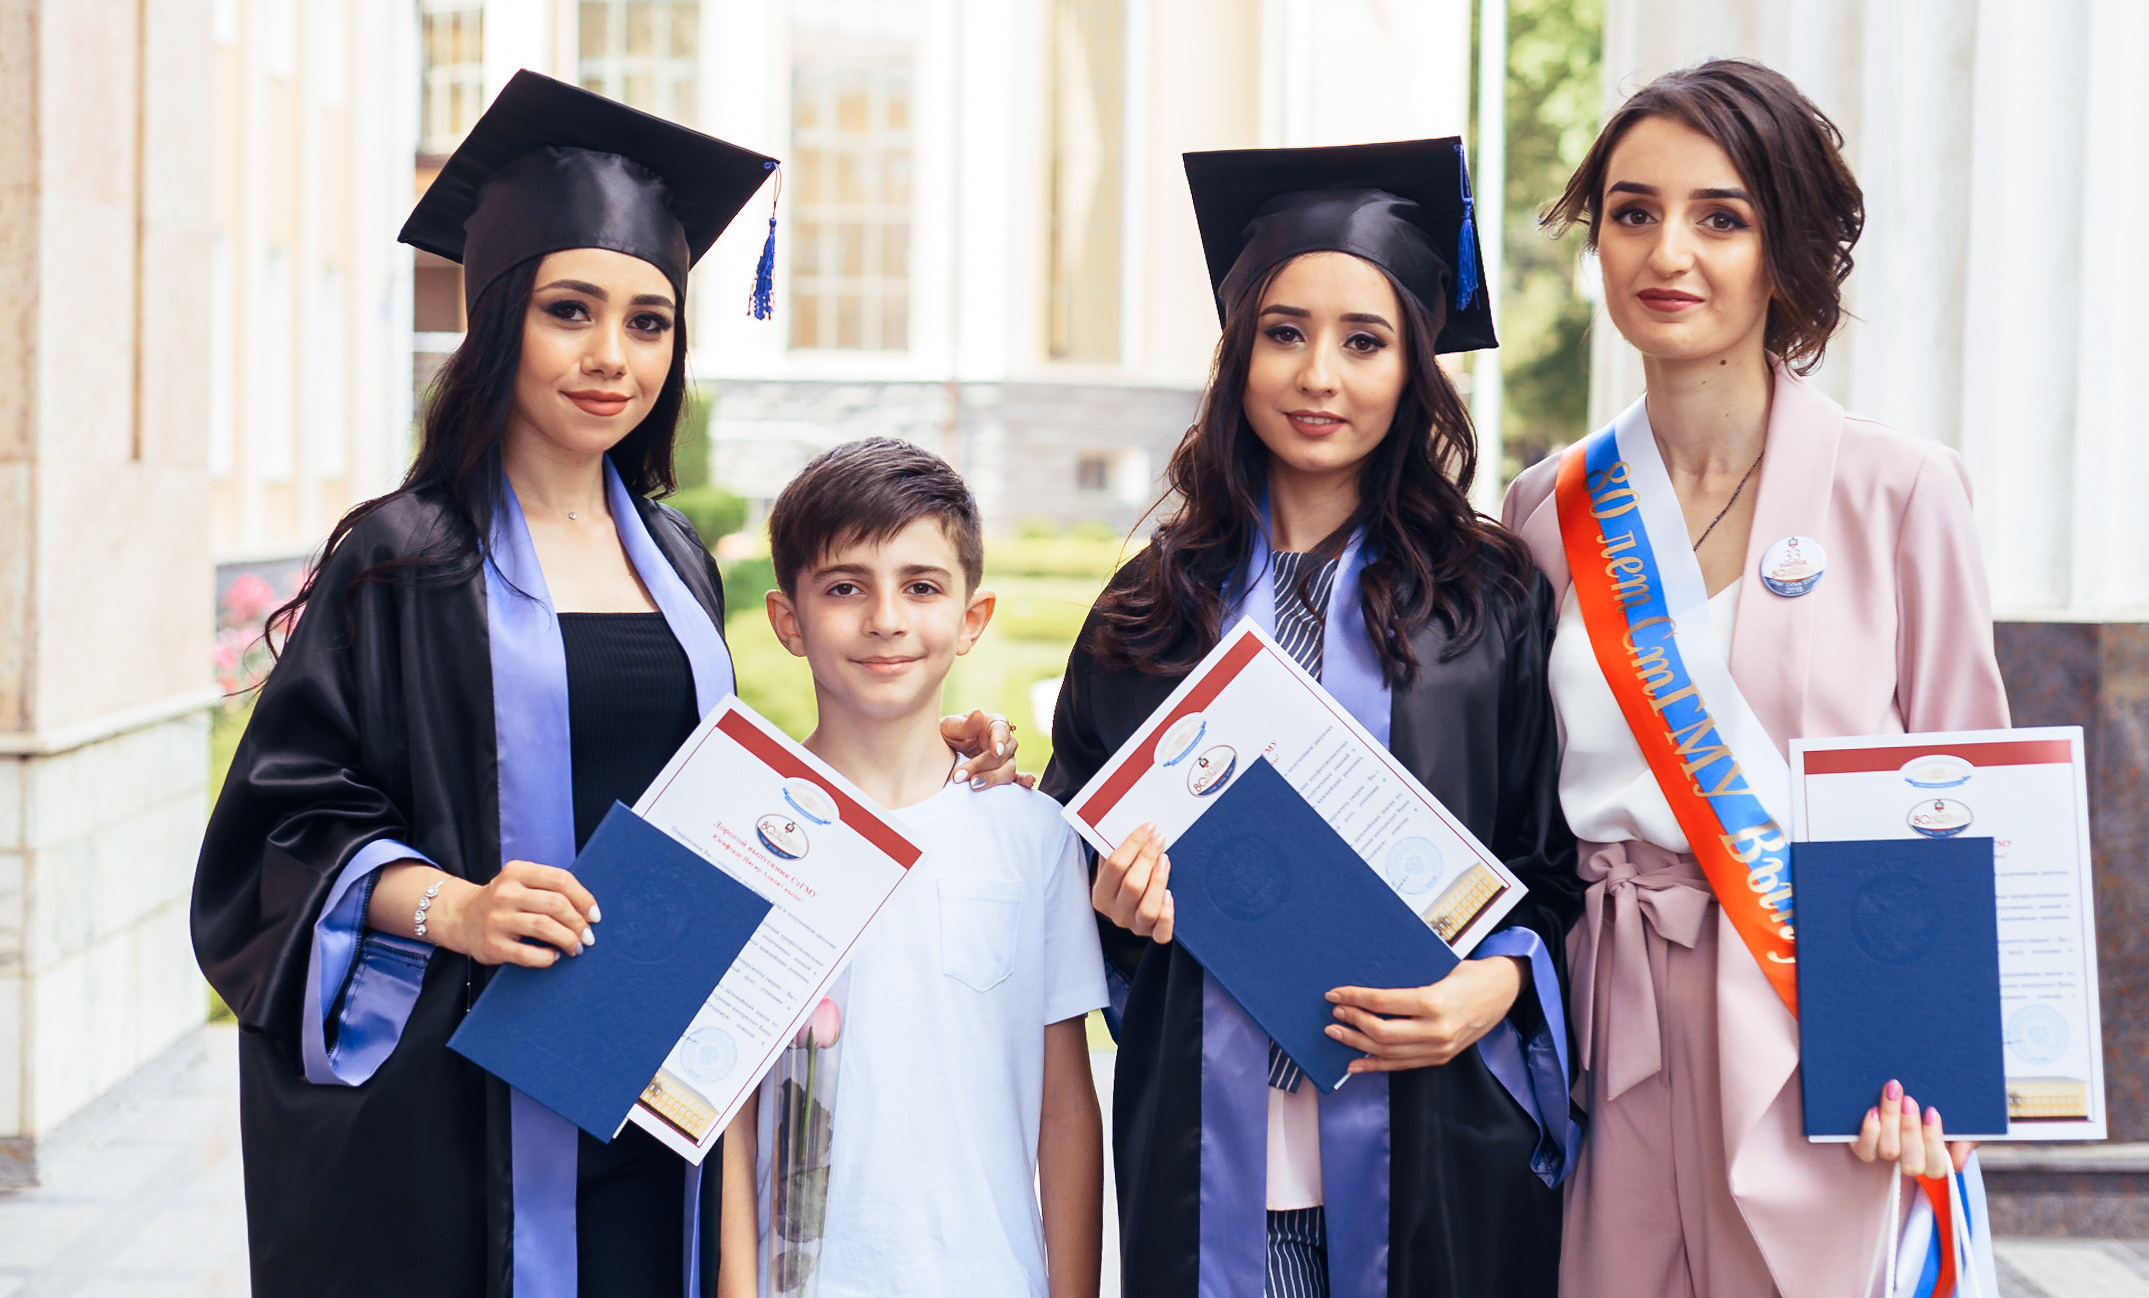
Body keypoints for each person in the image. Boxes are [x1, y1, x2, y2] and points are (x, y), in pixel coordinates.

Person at [190, 71, 1024, 1298]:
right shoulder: (408, 556)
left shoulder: (676, 557)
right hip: (456, 1104)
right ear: (498, 319)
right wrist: (454, 907)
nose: (610, 356)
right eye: (570, 310)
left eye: (648, 320)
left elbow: (705, 779)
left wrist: (926, 746)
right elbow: (278, 828)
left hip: (648, 1074)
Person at [1043, 140, 1586, 1298]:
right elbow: (1069, 872)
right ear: (1239, 354)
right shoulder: (1148, 613)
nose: (1319, 377)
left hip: (1438, 1150)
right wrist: (1113, 902)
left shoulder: (1487, 601)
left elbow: (1553, 868)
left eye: (1364, 341)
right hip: (1206, 1162)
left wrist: (1490, 986)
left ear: (1412, 368)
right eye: (1284, 333)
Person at [1503, 57, 2006, 1297]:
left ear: (1782, 249)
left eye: (1718, 216)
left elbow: (1963, 792)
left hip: (1824, 1031)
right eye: (1633, 212)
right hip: (1608, 1025)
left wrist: (1926, 1061)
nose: (1667, 249)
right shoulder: (1542, 511)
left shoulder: (1899, 489)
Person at [714, 438, 1109, 1298]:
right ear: (788, 619)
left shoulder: (1035, 836)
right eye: (845, 586)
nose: (885, 617)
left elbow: (1065, 1106)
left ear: (973, 618)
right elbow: (727, 1104)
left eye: (922, 586)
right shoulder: (745, 831)